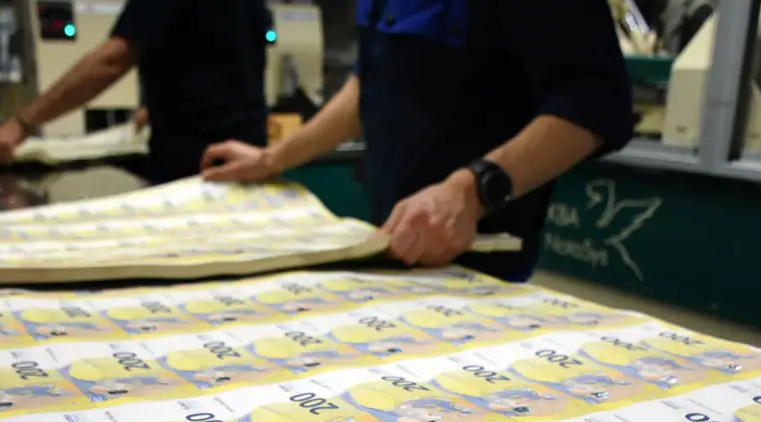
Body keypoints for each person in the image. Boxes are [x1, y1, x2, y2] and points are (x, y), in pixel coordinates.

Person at [200, 0, 634, 282]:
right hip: (390, 249)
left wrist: (469, 192)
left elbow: (596, 101)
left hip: (480, 269)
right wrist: (271, 158)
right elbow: (369, 87)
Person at [0, 0, 273, 185]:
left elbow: (112, 61)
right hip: (246, 159)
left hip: (198, 168)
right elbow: (215, 53)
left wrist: (22, 123)